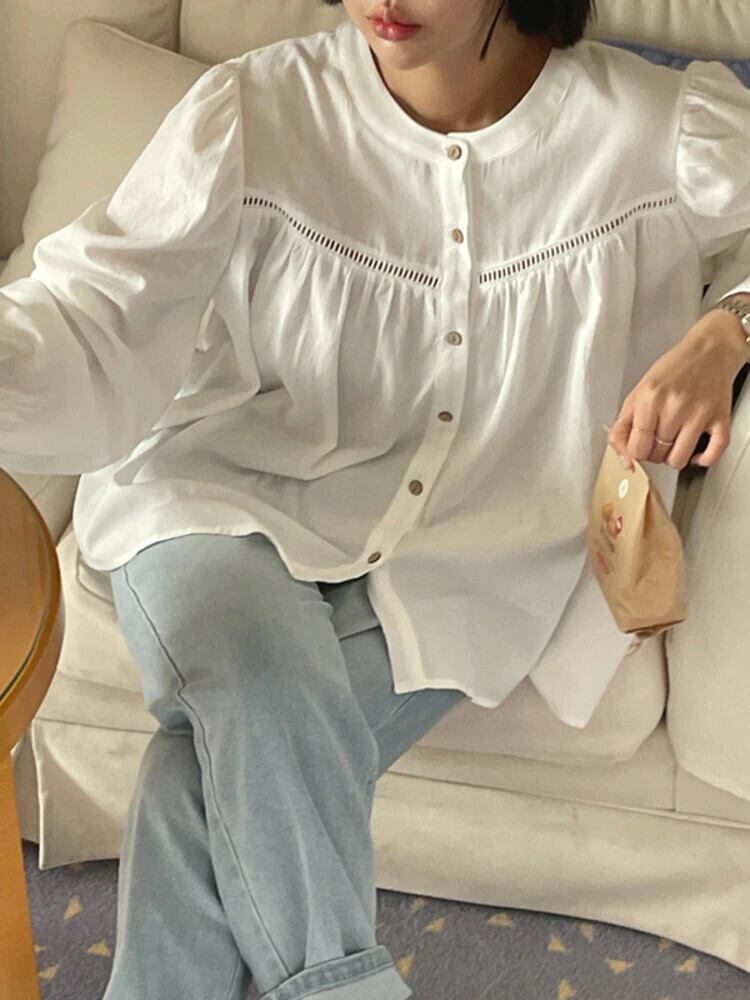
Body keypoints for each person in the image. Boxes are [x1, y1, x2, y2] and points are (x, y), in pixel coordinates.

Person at [2, 1, 750, 997]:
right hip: (216, 495)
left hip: (475, 543)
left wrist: (726, 330)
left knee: (210, 782)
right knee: (255, 683)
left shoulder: (657, 130)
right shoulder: (255, 110)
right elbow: (94, 304)